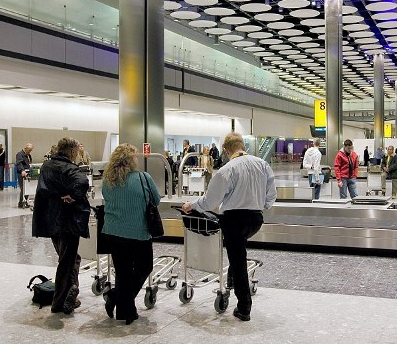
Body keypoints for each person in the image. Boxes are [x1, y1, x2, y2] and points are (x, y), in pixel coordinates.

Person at [181, 132, 276, 322]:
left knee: (238, 259)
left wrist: (192, 205)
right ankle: (231, 278)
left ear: (225, 150)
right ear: (243, 146)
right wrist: (260, 205)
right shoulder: (262, 164)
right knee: (238, 250)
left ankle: (244, 308)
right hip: (255, 220)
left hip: (234, 221)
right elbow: (271, 195)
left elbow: (210, 201)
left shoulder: (226, 170)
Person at [102, 143, 161, 325]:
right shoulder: (143, 178)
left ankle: (124, 308)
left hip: (113, 232)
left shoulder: (108, 180)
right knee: (144, 267)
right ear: (131, 160)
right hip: (138, 232)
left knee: (123, 272)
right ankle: (117, 300)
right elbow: (156, 199)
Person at [32, 137, 90, 315]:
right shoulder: (70, 168)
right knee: (67, 261)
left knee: (70, 258)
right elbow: (82, 183)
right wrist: (73, 196)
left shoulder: (47, 166)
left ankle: (70, 290)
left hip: (50, 220)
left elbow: (44, 190)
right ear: (72, 151)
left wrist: (59, 195)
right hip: (68, 221)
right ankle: (61, 300)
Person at [16, 143, 33, 208]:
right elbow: (19, 163)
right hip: (21, 173)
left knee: (27, 188)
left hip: (27, 173)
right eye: (29, 150)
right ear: (25, 148)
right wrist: (22, 170)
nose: (30, 151)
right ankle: (21, 203)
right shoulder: (19, 154)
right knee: (23, 188)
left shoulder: (28, 155)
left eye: (31, 150)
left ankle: (25, 202)